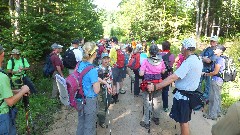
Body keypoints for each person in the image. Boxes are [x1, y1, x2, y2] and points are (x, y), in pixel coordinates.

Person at [147, 38, 203, 135]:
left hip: (184, 96)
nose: (181, 49)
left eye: (182, 47)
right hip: (189, 94)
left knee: (184, 121)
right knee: (183, 120)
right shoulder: (197, 59)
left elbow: (172, 78)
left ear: (185, 48)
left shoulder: (189, 62)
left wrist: (156, 87)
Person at [0, 45, 30, 135]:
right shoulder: (2, 77)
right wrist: (22, 91)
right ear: (2, 54)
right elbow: (10, 101)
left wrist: (17, 91)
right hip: (3, 116)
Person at [76, 42, 100, 135]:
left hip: (79, 98)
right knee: (89, 126)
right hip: (89, 101)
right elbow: (96, 90)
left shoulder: (80, 64)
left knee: (81, 122)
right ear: (94, 53)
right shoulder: (92, 70)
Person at [139, 44, 166, 128]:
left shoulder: (146, 61)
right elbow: (163, 72)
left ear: (149, 52)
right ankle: (156, 118)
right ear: (157, 51)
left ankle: (146, 122)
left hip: (148, 85)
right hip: (158, 84)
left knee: (147, 102)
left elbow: (141, 73)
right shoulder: (161, 61)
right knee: (157, 102)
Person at [203, 45, 226, 120]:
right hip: (219, 81)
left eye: (216, 49)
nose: (214, 50)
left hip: (216, 80)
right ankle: (218, 112)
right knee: (217, 97)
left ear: (220, 51)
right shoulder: (222, 59)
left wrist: (206, 74)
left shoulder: (219, 60)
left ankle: (212, 115)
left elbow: (215, 72)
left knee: (213, 97)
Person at [96, 53, 113, 128]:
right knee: (102, 105)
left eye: (107, 58)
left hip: (108, 88)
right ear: (101, 60)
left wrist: (112, 87)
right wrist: (103, 81)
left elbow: (111, 78)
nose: (106, 60)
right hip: (100, 89)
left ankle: (101, 115)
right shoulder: (97, 69)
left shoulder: (109, 68)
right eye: (104, 59)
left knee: (108, 103)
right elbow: (95, 81)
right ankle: (101, 121)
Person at [199, 36, 218, 100]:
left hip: (210, 70)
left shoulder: (217, 51)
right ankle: (197, 95)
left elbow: (209, 61)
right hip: (203, 67)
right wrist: (204, 58)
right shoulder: (207, 49)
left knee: (208, 85)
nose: (212, 42)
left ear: (216, 42)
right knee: (199, 82)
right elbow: (200, 56)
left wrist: (204, 58)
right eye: (211, 41)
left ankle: (206, 99)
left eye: (213, 41)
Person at [158, 41, 175, 112]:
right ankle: (165, 106)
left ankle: (155, 104)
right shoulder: (172, 55)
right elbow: (172, 64)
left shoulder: (159, 54)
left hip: (159, 74)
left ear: (162, 47)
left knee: (157, 89)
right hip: (167, 75)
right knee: (165, 91)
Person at [109, 37, 125, 102]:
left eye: (111, 42)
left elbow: (109, 58)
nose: (110, 43)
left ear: (113, 42)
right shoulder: (119, 48)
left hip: (114, 67)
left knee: (113, 82)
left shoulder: (112, 49)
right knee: (118, 82)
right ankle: (117, 96)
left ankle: (114, 97)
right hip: (120, 67)